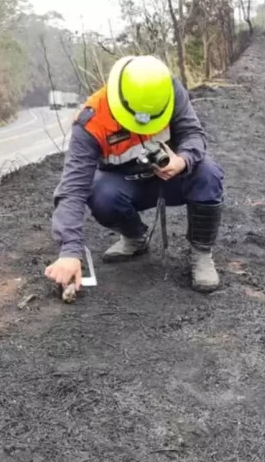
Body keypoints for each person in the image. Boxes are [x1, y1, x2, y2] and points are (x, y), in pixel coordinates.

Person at [45, 55, 225, 294]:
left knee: (207, 172)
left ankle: (201, 252)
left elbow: (194, 134)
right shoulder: (90, 121)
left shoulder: (169, 90)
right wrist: (69, 250)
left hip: (171, 178)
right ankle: (134, 237)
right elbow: (72, 189)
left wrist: (182, 160)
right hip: (125, 184)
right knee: (100, 194)